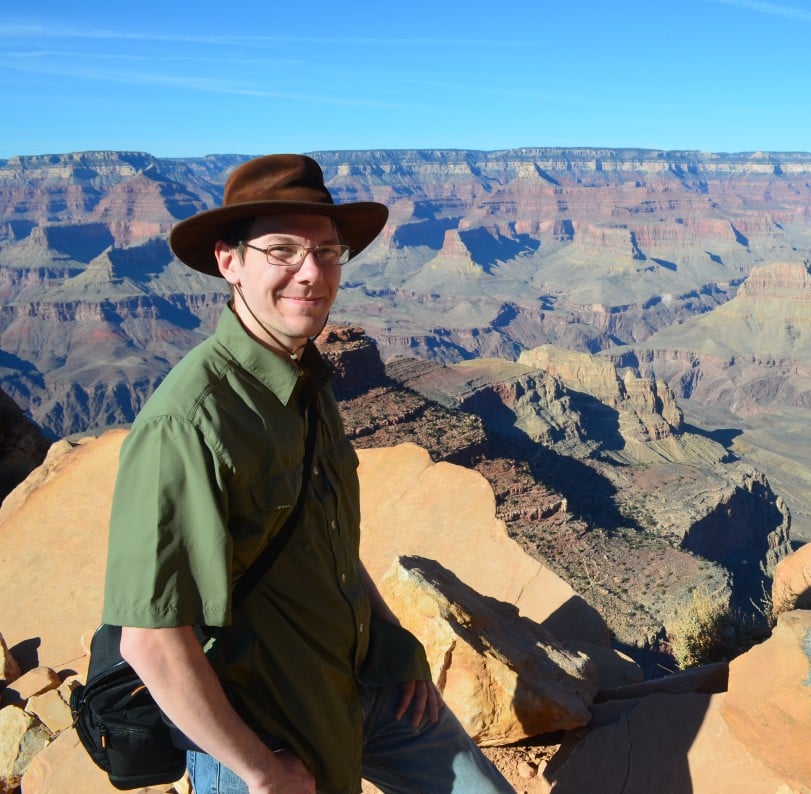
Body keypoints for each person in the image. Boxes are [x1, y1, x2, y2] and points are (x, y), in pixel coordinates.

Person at [101, 154, 515, 794]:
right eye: (283, 250)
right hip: (272, 731)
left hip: (369, 686)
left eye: (327, 250)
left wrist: (393, 643)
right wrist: (261, 771)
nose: (312, 272)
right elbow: (151, 640)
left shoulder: (306, 380)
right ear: (229, 261)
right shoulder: (186, 425)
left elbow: (324, 544)